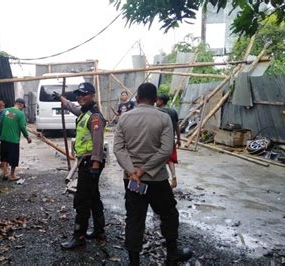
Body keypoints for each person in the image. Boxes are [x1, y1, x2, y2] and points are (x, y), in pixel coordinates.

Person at [113, 83, 192, 265]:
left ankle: (134, 262)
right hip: (157, 179)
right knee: (169, 214)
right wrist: (143, 170)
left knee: (134, 218)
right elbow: (166, 151)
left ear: (138, 98)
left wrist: (133, 172)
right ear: (155, 99)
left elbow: (118, 149)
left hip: (133, 182)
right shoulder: (163, 118)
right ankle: (172, 253)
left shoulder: (124, 118)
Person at [54, 82, 106, 249]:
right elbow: (72, 107)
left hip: (91, 162)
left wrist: (95, 165)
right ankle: (99, 230)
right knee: (93, 196)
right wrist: (61, 98)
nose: (80, 97)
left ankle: (79, 236)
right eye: (78, 94)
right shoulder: (84, 112)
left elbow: (98, 142)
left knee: (82, 200)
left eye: (84, 94)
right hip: (87, 161)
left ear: (92, 95)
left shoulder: (95, 116)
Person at [0, 98, 32, 181]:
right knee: (14, 158)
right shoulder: (20, 114)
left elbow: (0, 123)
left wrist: (0, 134)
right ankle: (12, 175)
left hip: (4, 138)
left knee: (4, 156)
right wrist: (27, 136)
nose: (22, 109)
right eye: (23, 107)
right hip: (13, 140)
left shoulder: (5, 111)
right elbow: (22, 127)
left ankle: (5, 173)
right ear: (20, 104)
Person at [156, 94, 181, 188]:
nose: (156, 102)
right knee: (170, 159)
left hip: (159, 139)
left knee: (158, 159)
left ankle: (160, 180)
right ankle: (173, 175)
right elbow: (177, 126)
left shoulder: (158, 111)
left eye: (157, 100)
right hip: (171, 139)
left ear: (161, 101)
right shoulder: (173, 111)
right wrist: (178, 139)